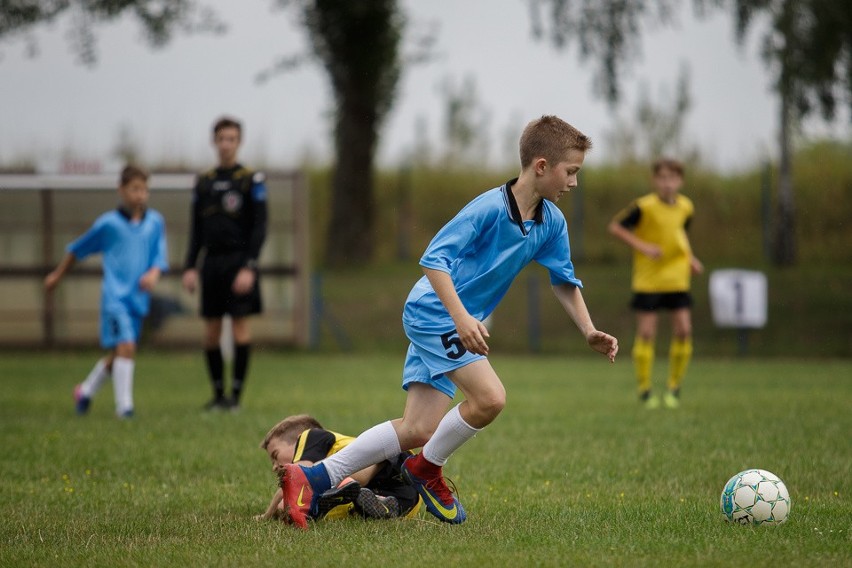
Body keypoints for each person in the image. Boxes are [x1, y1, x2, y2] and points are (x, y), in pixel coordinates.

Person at [279, 115, 619, 529]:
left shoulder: (550, 223)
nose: (574, 183)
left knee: (417, 428)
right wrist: (461, 319)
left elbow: (564, 280)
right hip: (434, 311)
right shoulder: (489, 208)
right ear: (541, 166)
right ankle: (424, 471)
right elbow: (433, 260)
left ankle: (313, 478)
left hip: (449, 319)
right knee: (490, 398)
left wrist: (588, 330)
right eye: (571, 172)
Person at [44, 165, 169, 419]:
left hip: (138, 300)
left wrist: (153, 273)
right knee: (126, 346)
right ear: (121, 190)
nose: (140, 195)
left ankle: (85, 391)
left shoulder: (155, 221)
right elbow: (76, 250)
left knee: (119, 354)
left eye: (144, 189)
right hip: (115, 298)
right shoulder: (108, 224)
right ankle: (125, 408)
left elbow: (159, 257)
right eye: (134, 189)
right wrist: (57, 275)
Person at [182, 116, 268, 411]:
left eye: (231, 139)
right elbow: (196, 229)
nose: (226, 144)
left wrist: (249, 267)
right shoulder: (204, 182)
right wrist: (190, 266)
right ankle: (218, 395)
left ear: (238, 142)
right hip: (212, 263)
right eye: (221, 139)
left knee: (241, 329)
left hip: (239, 262)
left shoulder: (250, 179)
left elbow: (260, 227)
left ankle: (236, 397)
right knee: (211, 331)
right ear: (214, 142)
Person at [607, 158, 704, 410]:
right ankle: (644, 388)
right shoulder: (644, 207)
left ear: (680, 181)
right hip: (648, 279)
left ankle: (674, 386)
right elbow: (616, 227)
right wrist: (643, 247)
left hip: (677, 277)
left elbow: (679, 235)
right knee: (647, 333)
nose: (667, 183)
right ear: (654, 180)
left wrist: (691, 258)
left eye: (672, 178)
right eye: (662, 178)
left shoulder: (686, 207)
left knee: (684, 330)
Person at [257, 414, 421, 522]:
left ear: (299, 438)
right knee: (301, 507)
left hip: (394, 459)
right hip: (409, 501)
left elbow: (297, 481)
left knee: (305, 484)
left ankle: (343, 487)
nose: (274, 466)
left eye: (275, 455)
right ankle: (381, 504)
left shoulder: (312, 436)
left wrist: (266, 516)